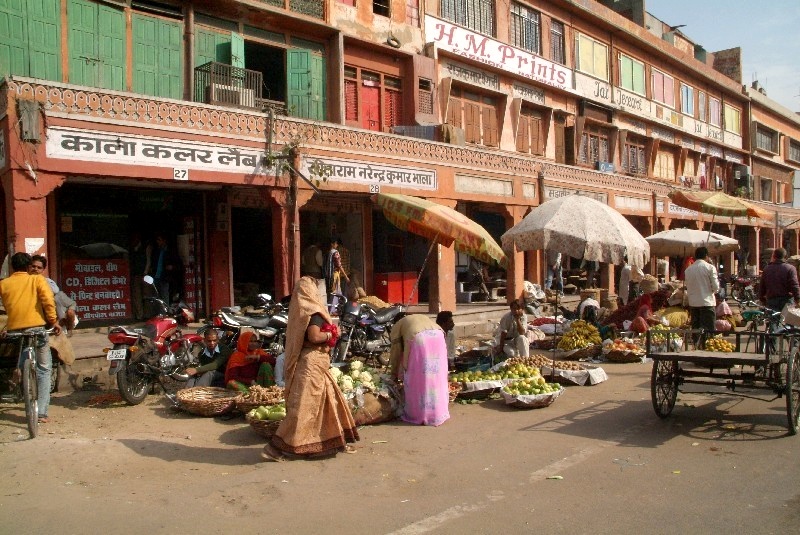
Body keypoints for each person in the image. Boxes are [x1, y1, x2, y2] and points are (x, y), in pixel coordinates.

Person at [262, 276, 359, 461]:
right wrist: (333, 332)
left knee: (330, 401)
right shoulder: (314, 312)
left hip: (314, 363)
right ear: (311, 292)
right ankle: (274, 448)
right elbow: (314, 336)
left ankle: (337, 441)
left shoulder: (299, 312)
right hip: (312, 363)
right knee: (303, 408)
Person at [0, 252, 62, 423]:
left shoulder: (4, 284)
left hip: (14, 329)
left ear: (12, 267)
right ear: (28, 267)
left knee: (23, 349)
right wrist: (52, 321)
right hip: (36, 327)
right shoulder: (37, 280)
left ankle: (19, 371)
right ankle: (41, 413)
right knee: (44, 368)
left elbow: (6, 306)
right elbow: (48, 301)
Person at [389, 313, 450, 426]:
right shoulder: (418, 317)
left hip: (420, 339)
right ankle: (438, 412)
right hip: (439, 336)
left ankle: (420, 414)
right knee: (437, 376)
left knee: (417, 377)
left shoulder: (398, 325)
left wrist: (393, 374)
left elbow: (396, 352)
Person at [29, 255, 78, 334]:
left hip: (51, 317)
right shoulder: (24, 281)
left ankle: (67, 328)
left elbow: (54, 293)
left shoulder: (47, 282)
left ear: (43, 270)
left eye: (39, 267)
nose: (35, 269)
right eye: (33, 266)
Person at [684, 246, 720, 344]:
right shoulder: (710, 268)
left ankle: (697, 347)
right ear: (706, 256)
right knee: (709, 330)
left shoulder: (688, 270)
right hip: (707, 303)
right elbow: (716, 287)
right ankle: (707, 349)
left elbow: (688, 286)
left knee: (696, 329)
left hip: (694, 304)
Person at [758, 247, 800, 312]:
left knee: (773, 320)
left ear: (774, 256)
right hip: (787, 300)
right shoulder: (790, 268)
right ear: (785, 256)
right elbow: (794, 285)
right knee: (787, 320)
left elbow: (762, 286)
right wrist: (798, 299)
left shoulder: (767, 269)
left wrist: (762, 299)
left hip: (772, 300)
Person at [153, 233, 183, 303]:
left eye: (159, 240)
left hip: (165, 279)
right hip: (156, 279)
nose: (158, 242)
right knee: (157, 299)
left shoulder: (171, 252)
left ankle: (165, 313)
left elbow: (180, 265)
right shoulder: (157, 252)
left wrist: (172, 267)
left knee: (165, 298)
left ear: (164, 241)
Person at [322, 237, 349, 314]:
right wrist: (346, 276)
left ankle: (335, 309)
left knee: (333, 292)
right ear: (332, 244)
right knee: (335, 292)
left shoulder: (327, 253)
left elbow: (324, 265)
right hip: (335, 275)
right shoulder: (335, 252)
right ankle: (332, 310)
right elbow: (339, 265)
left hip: (328, 275)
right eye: (336, 243)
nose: (337, 245)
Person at [130, 232, 152, 320]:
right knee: (137, 296)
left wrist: (145, 272)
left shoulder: (146, 247)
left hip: (144, 274)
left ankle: (148, 315)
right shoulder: (133, 249)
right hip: (136, 275)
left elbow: (148, 260)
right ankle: (140, 315)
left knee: (146, 295)